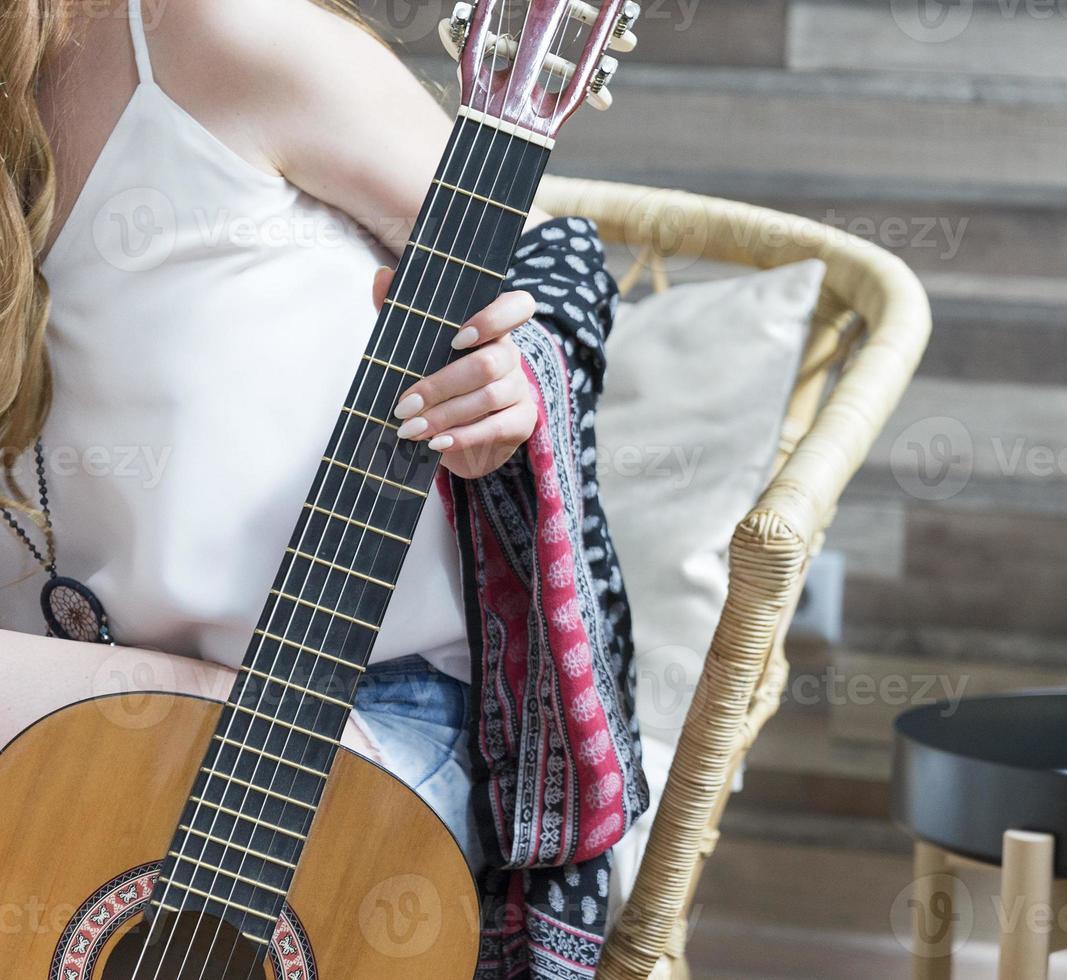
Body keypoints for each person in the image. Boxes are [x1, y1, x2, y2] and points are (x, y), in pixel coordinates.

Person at [0, 1, 646, 976]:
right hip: (56, 702)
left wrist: (502, 389)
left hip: (350, 706)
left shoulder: (214, 35)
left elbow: (544, 268)